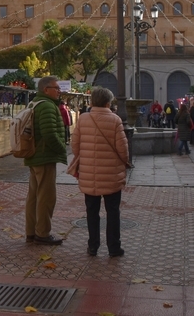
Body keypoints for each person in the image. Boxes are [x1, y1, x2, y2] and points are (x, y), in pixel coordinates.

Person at [71, 87, 130, 257]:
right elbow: (123, 149)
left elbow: (75, 145)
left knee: (91, 211)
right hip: (111, 173)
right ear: (107, 103)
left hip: (89, 173)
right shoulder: (115, 120)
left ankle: (93, 245)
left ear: (92, 101)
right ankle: (114, 247)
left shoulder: (83, 119)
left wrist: (86, 157)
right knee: (113, 211)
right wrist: (124, 162)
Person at [25, 76, 68, 245]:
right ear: (46, 89)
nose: (59, 91)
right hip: (44, 157)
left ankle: (31, 232)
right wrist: (62, 148)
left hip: (34, 156)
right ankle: (42, 233)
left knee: (34, 196)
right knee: (46, 197)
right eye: (56, 88)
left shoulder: (34, 103)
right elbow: (49, 134)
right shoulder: (48, 106)